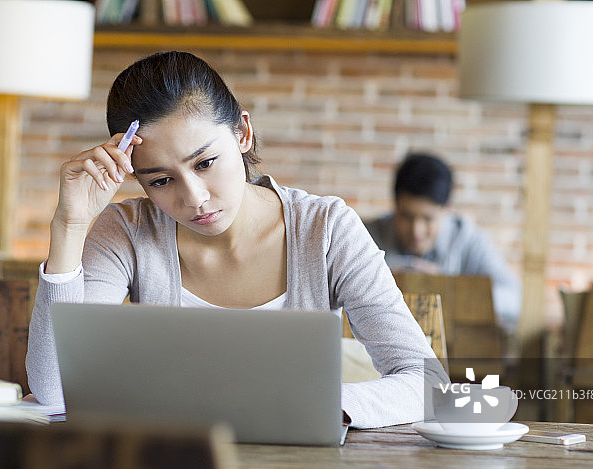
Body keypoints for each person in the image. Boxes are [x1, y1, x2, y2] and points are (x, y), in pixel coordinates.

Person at [25, 51, 447, 429]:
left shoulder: (326, 229)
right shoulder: (126, 230)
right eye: (161, 180)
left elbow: (426, 381)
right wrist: (70, 226)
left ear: (242, 133)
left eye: (206, 162)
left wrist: (322, 405)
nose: (194, 198)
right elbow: (55, 390)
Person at [364, 152, 521, 329]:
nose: (417, 230)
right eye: (407, 216)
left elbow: (515, 300)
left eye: (428, 218)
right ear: (395, 205)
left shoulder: (469, 240)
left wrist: (450, 289)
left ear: (447, 210)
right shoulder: (366, 237)